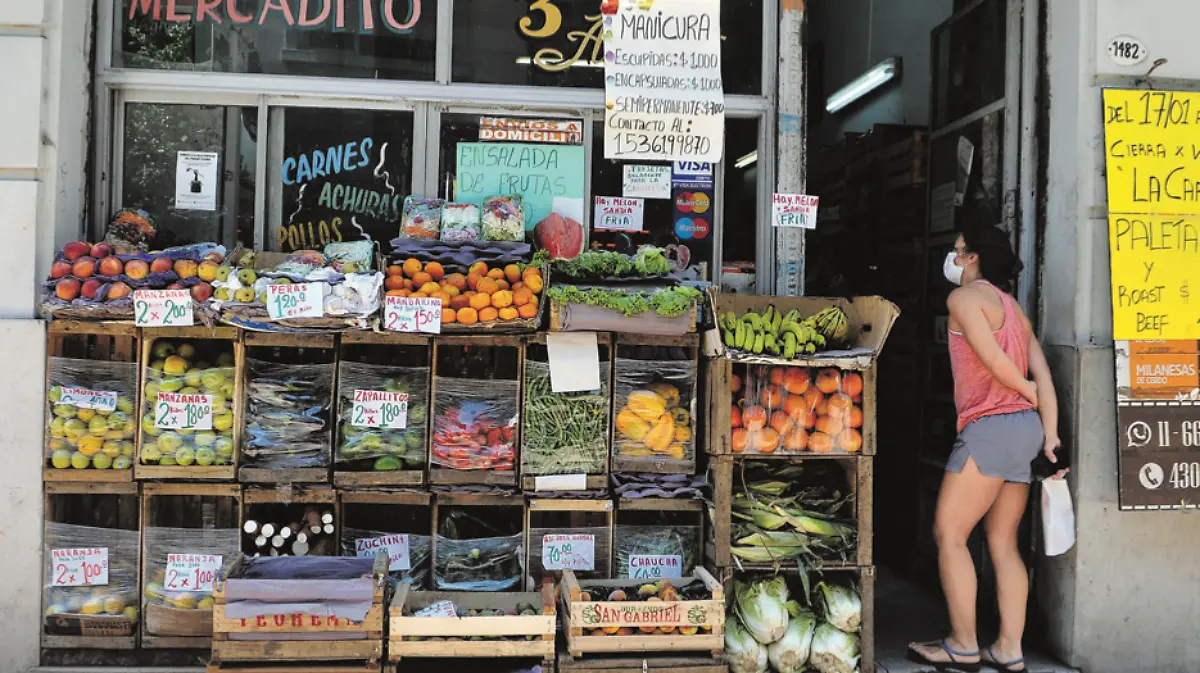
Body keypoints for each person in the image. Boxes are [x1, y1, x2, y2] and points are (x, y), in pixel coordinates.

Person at [908, 225, 1068, 672]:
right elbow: (1045, 376)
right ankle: (1009, 649)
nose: (953, 256)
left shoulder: (963, 299)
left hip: (990, 427)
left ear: (973, 257)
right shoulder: (1014, 309)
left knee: (950, 535)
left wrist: (1025, 391)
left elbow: (994, 361)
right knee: (1002, 542)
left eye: (957, 250)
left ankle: (962, 644)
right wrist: (1049, 434)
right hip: (1024, 431)